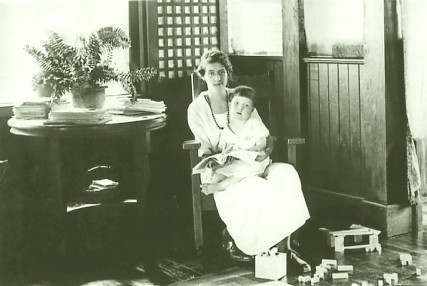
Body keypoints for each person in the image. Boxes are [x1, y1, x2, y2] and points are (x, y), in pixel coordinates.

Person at [187, 50, 311, 272]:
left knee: (286, 174)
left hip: (253, 162)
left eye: (222, 72)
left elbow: (265, 136)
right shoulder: (197, 109)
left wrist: (266, 150)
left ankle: (284, 248)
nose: (217, 78)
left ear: (228, 74)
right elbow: (203, 149)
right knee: (254, 187)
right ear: (202, 75)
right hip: (224, 169)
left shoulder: (240, 98)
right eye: (211, 73)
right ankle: (259, 248)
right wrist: (219, 161)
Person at [200, 85, 271, 195]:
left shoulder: (254, 124)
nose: (240, 108)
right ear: (229, 105)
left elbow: (262, 143)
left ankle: (221, 186)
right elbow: (222, 151)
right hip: (235, 163)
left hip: (253, 162)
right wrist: (225, 154)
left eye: (246, 105)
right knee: (218, 173)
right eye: (236, 103)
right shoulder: (226, 131)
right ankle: (216, 183)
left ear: (252, 110)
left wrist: (252, 150)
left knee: (246, 170)